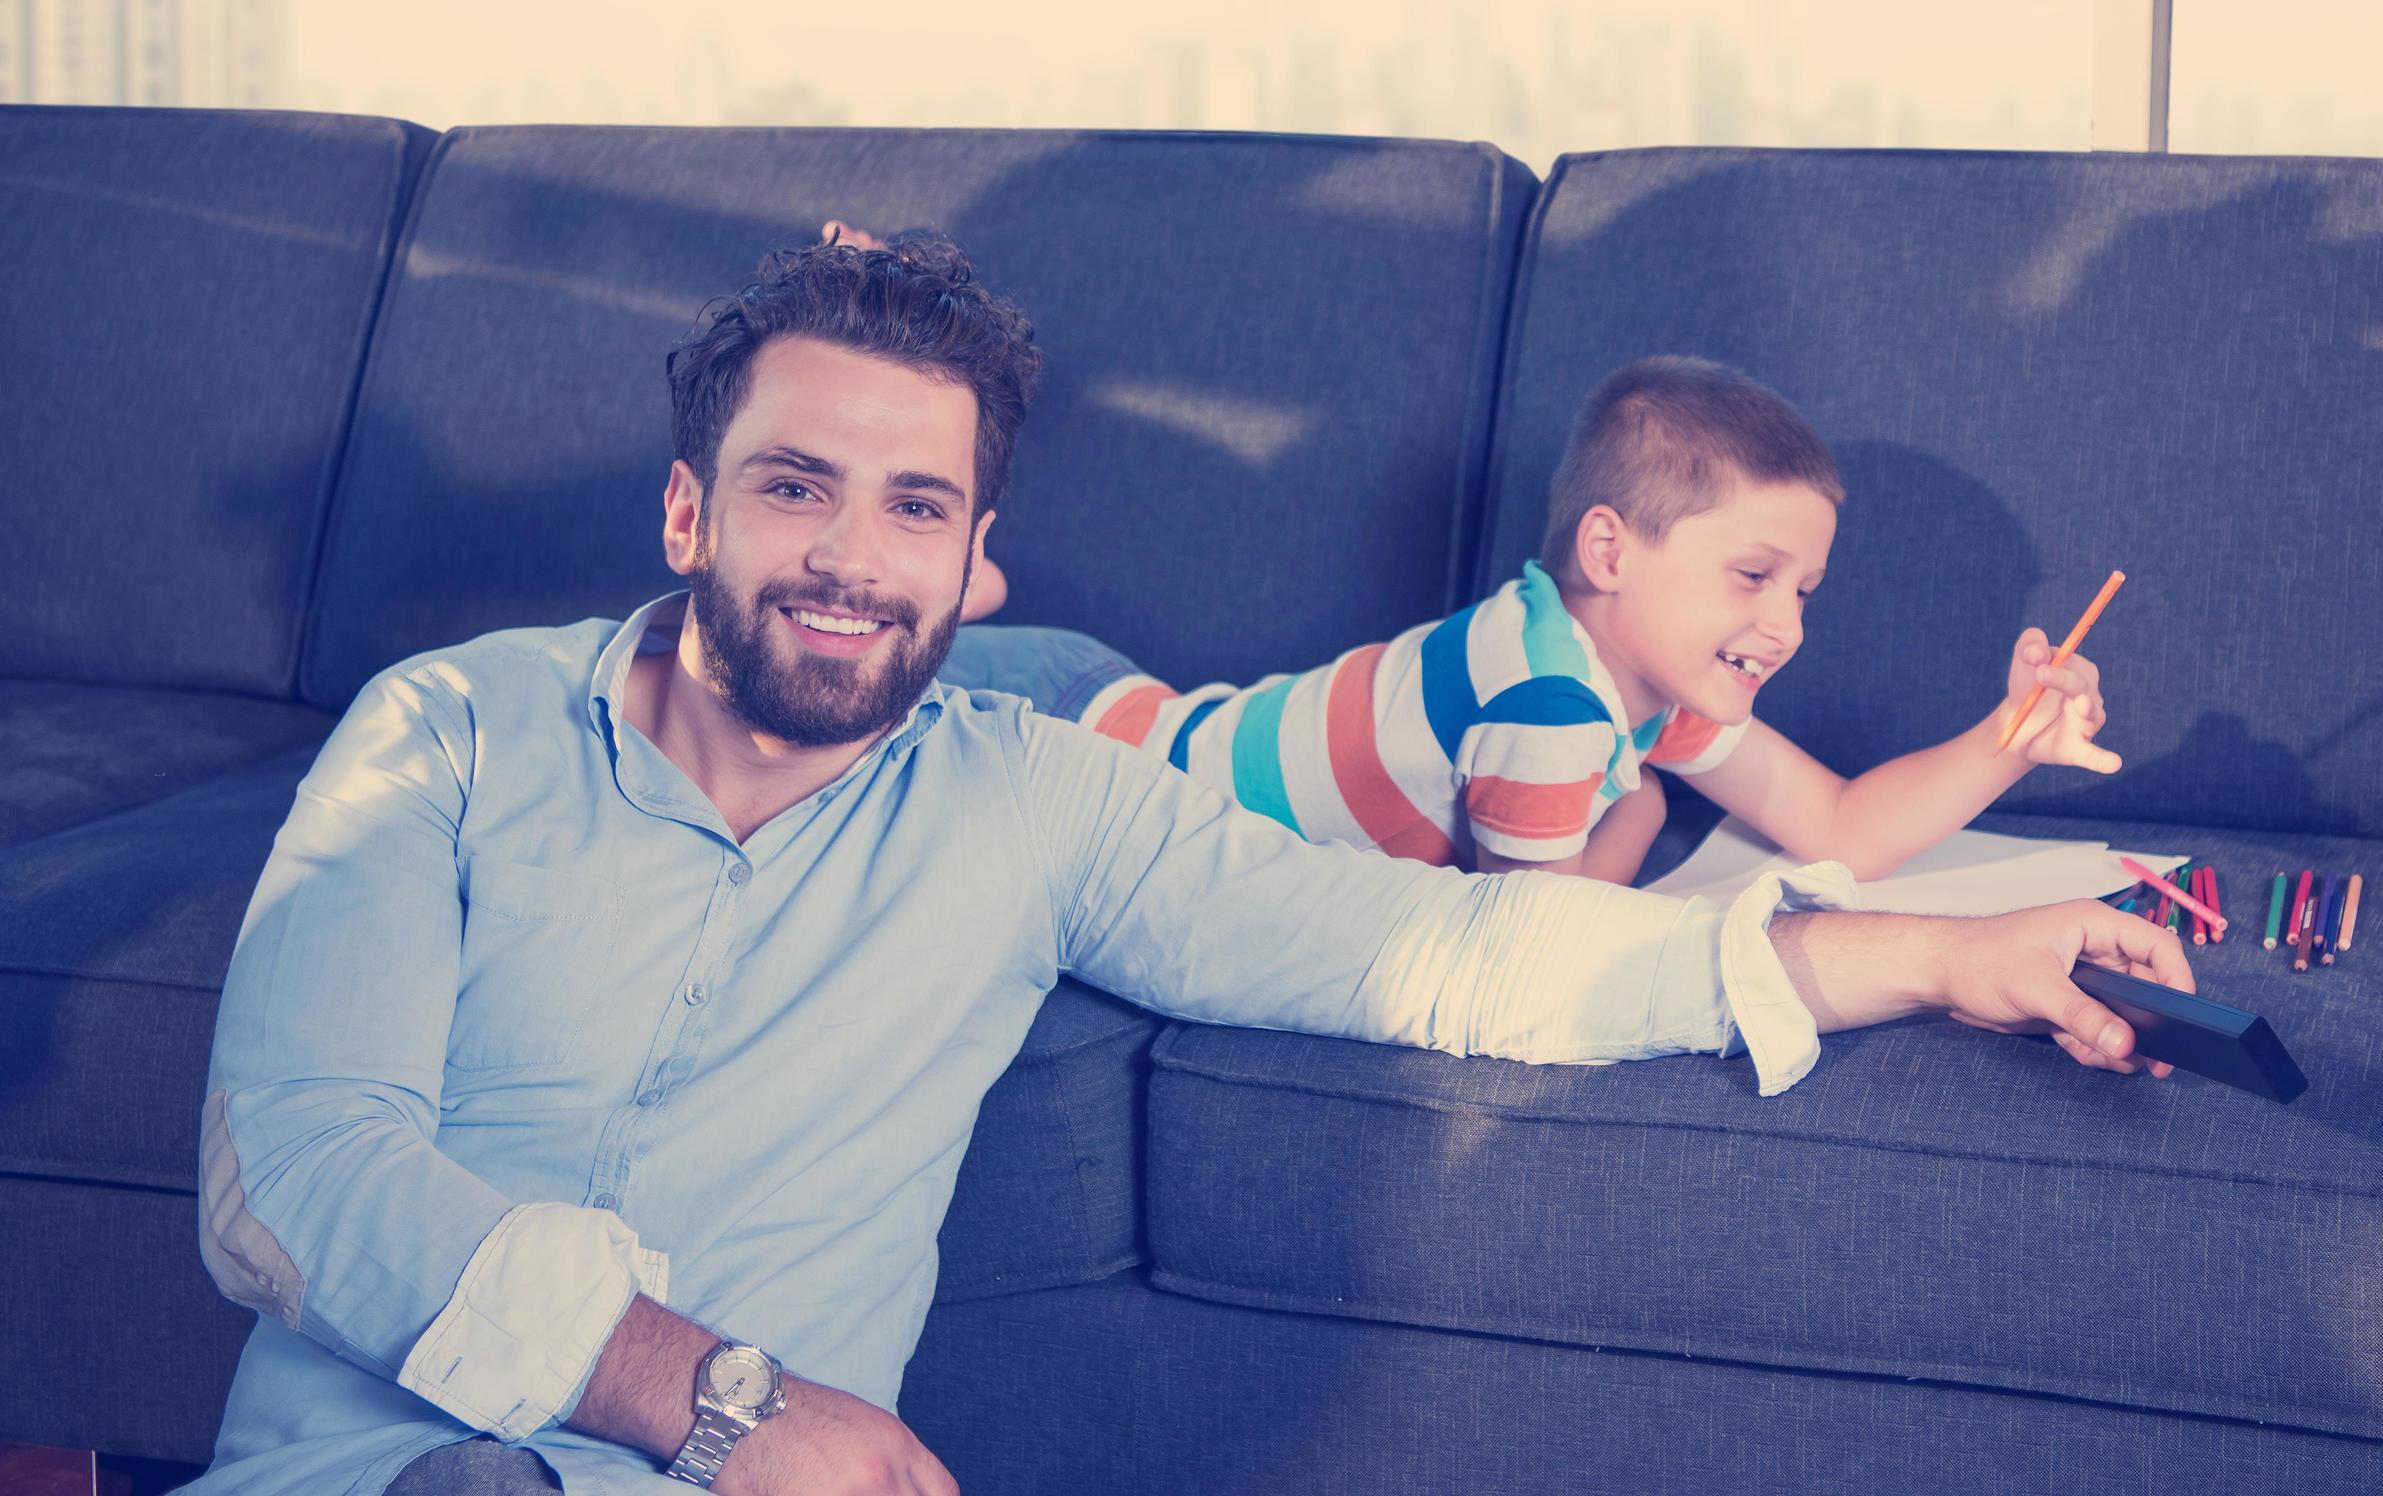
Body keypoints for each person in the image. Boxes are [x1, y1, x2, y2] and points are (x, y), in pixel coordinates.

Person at [189, 231, 2190, 1495]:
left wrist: (1921, 955)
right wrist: (713, 1395)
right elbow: (290, 1174)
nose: (844, 553)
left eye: (915, 505)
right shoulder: (441, 729)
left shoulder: (1038, 801)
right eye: (795, 484)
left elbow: (1459, 956)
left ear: (974, 558)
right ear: (687, 503)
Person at [940, 355, 2119, 889]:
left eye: (1802, 591)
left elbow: (1840, 827)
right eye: (1753, 575)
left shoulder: (1634, 674)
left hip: (1099, 704)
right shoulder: (1551, 699)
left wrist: (2007, 735)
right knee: (761, 684)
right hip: (1075, 744)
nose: (1786, 625)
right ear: (1610, 549)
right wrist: (1641, 808)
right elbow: (1526, 937)